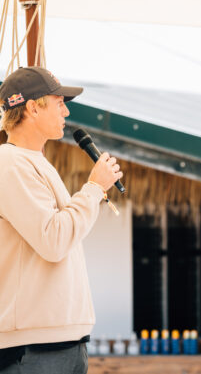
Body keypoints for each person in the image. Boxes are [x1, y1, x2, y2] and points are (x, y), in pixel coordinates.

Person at [0, 66, 123, 373]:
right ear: (32, 108)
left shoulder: (34, 162)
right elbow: (53, 241)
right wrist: (94, 188)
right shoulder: (10, 164)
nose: (66, 111)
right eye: (58, 103)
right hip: (32, 349)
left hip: (60, 340)